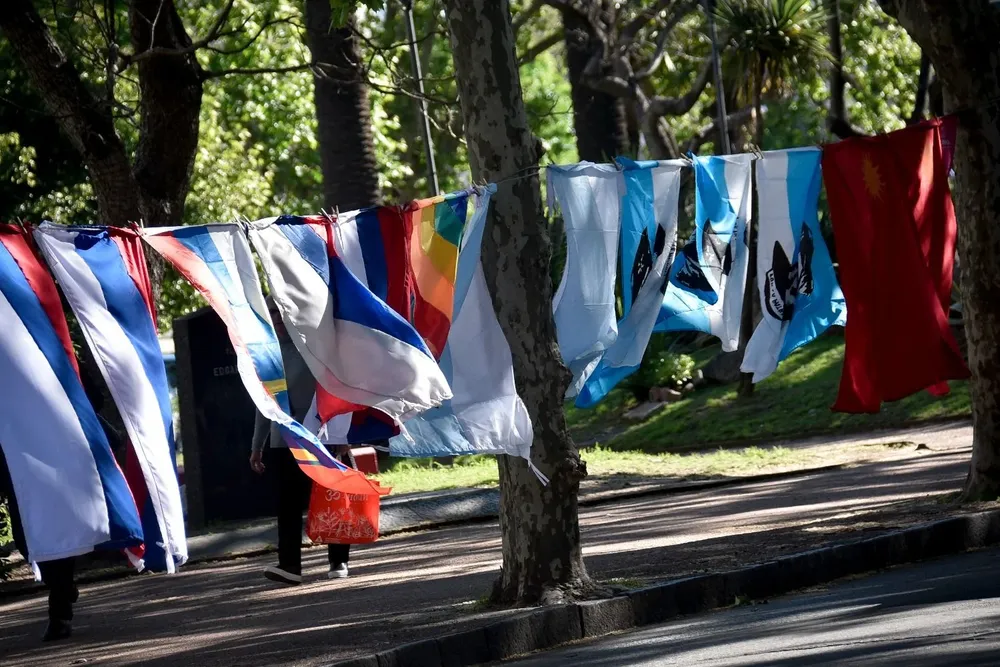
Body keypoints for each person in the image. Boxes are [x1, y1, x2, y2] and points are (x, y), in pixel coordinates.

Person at [250, 295, 351, 585]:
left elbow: (339, 391)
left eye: (282, 312)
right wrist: (257, 446)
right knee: (288, 505)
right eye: (272, 313)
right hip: (284, 442)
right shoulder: (267, 355)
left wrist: (344, 436)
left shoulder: (314, 349)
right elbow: (264, 403)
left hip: (324, 438)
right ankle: (290, 565)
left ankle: (338, 560)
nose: (278, 320)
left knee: (330, 500)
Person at [0, 448, 79, 642]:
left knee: (61, 545)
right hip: (20, 487)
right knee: (26, 543)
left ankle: (60, 617)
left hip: (55, 483)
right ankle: (64, 586)